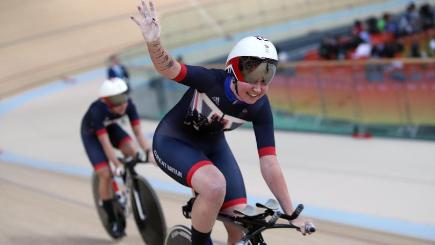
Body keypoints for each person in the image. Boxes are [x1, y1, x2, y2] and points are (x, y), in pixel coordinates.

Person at [131, 1, 315, 244]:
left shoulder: (260, 107)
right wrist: (153, 42)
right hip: (173, 142)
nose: (258, 88)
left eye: (267, 76)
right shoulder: (211, 81)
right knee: (215, 185)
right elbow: (170, 69)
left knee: (240, 226)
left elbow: (269, 162)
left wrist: (291, 213)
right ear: (233, 71)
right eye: (252, 77)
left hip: (213, 149)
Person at [80, 77, 152, 238]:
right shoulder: (97, 110)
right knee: (105, 174)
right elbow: (104, 143)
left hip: (110, 128)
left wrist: (150, 153)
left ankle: (129, 179)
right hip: (92, 135)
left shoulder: (129, 105)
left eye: (123, 98)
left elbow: (138, 133)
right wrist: (116, 163)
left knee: (132, 150)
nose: (121, 105)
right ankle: (112, 219)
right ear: (105, 101)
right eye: (115, 101)